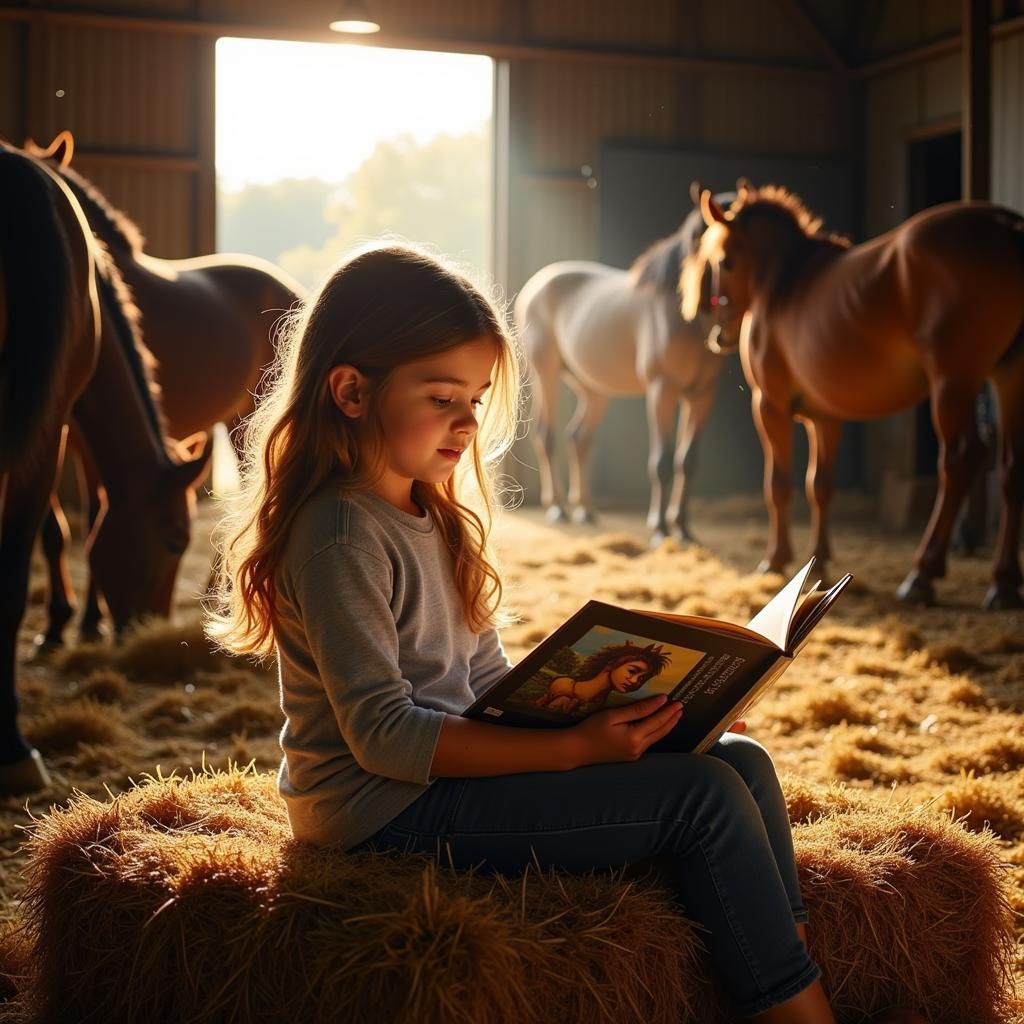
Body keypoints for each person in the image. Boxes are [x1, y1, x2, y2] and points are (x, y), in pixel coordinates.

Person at [206, 244, 922, 1024]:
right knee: (702, 798)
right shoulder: (340, 532)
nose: (466, 423)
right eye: (443, 397)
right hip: (379, 812)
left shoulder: (435, 515)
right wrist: (573, 749)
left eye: (476, 400)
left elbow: (484, 683)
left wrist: (660, 712)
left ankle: (780, 959)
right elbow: (381, 735)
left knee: (739, 759)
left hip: (445, 778)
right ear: (350, 390)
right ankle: (798, 1011)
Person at [533, 640, 671, 713]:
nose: (635, 681)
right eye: (632, 671)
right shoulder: (562, 686)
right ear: (612, 663)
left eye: (642, 679)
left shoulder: (600, 702)